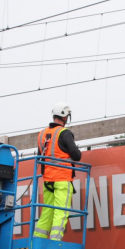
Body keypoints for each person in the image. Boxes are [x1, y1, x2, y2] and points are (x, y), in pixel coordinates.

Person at [35, 102, 82, 241]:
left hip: (48, 180)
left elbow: (40, 157)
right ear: (65, 117)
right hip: (62, 178)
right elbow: (76, 156)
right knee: (61, 212)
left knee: (47, 213)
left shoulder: (42, 134)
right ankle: (55, 243)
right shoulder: (64, 133)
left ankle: (38, 241)